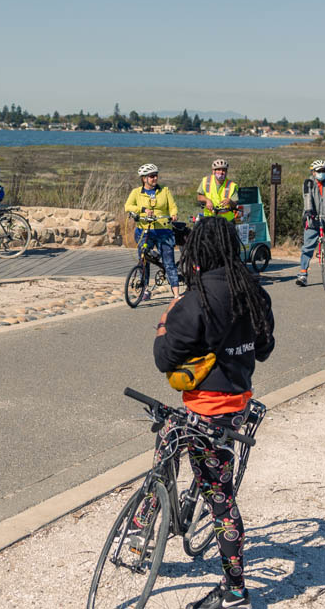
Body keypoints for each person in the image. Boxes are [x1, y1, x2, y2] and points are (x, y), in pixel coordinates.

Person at [153, 216, 275, 609]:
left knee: (221, 502)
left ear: (198, 253)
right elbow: (264, 349)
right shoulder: (252, 291)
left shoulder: (193, 301)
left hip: (207, 411)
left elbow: (163, 358)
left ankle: (236, 592)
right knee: (170, 429)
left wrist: (163, 321)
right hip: (238, 404)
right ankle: (149, 514)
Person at [124, 163, 181, 300]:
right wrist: (142, 210)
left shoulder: (164, 191)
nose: (155, 178)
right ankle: (145, 289)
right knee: (143, 260)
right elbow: (128, 206)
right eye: (151, 176)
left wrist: (173, 214)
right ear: (144, 179)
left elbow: (172, 206)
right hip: (145, 230)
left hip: (163, 230)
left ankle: (177, 294)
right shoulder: (136, 192)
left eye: (156, 176)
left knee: (169, 262)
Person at [295, 159, 325, 287]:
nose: (322, 173)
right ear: (313, 172)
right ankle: (303, 274)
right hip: (312, 219)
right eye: (319, 171)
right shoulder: (308, 183)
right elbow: (307, 198)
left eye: (324, 170)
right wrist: (309, 211)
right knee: (308, 247)